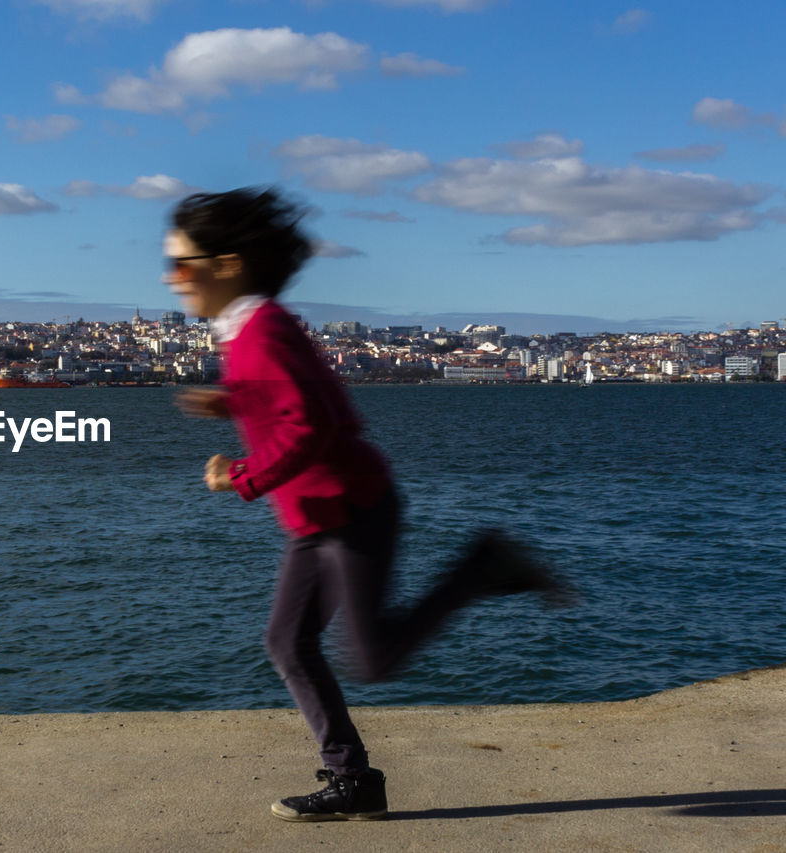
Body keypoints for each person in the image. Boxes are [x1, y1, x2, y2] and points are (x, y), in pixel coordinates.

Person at [165, 187, 569, 822]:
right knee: (288, 643)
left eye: (181, 264)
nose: (172, 279)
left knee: (373, 657)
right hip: (316, 516)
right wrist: (233, 400)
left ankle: (483, 568)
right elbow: (297, 401)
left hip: (352, 508)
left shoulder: (261, 329)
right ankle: (353, 780)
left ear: (228, 264)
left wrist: (238, 477)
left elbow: (312, 426)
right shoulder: (246, 329)